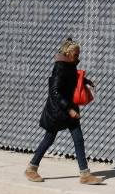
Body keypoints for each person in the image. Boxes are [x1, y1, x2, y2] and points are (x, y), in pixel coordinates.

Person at [24, 37, 104, 185]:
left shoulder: (70, 65)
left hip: (69, 108)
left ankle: (85, 174)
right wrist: (69, 110)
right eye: (76, 54)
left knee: (78, 140)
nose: (78, 57)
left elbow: (73, 79)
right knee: (49, 139)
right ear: (67, 53)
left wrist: (87, 81)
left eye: (78, 54)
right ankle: (31, 169)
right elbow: (55, 91)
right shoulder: (61, 67)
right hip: (59, 111)